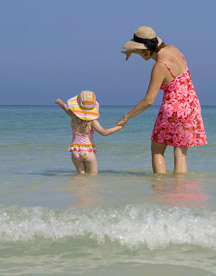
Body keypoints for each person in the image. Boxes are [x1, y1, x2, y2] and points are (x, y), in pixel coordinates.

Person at [117, 26, 207, 174]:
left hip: (172, 109)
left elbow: (149, 100)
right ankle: (180, 190)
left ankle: (160, 188)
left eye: (139, 51)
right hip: (191, 106)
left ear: (146, 49)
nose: (140, 55)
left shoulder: (160, 66)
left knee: (157, 151)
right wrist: (132, 50)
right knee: (180, 153)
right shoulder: (173, 49)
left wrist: (126, 117)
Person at [55, 91, 122, 175]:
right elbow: (104, 132)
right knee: (93, 176)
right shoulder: (92, 122)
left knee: (80, 176)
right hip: (88, 152)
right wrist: (118, 128)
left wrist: (59, 101)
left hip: (75, 151)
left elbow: (65, 107)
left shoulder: (73, 117)